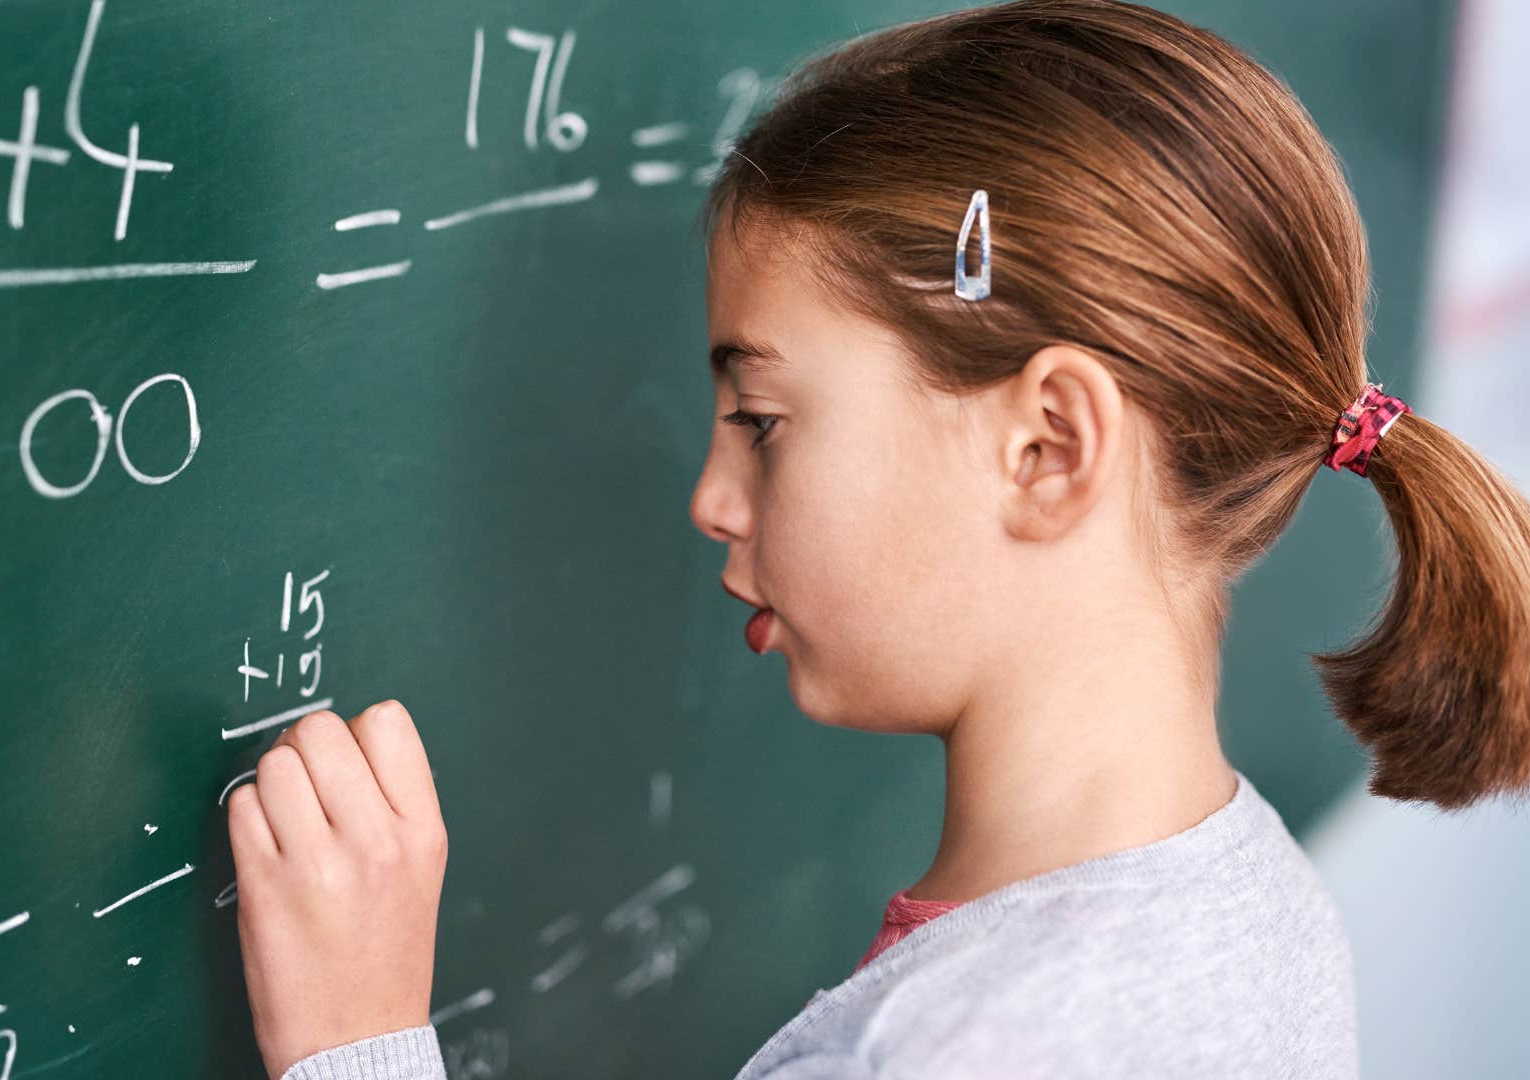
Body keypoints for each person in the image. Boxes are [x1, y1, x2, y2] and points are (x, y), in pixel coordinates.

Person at [223, 1, 1530, 1076]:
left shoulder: (955, 1051)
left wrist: (354, 1042)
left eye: (764, 419)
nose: (711, 498)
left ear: (1049, 448)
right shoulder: (1263, 913)